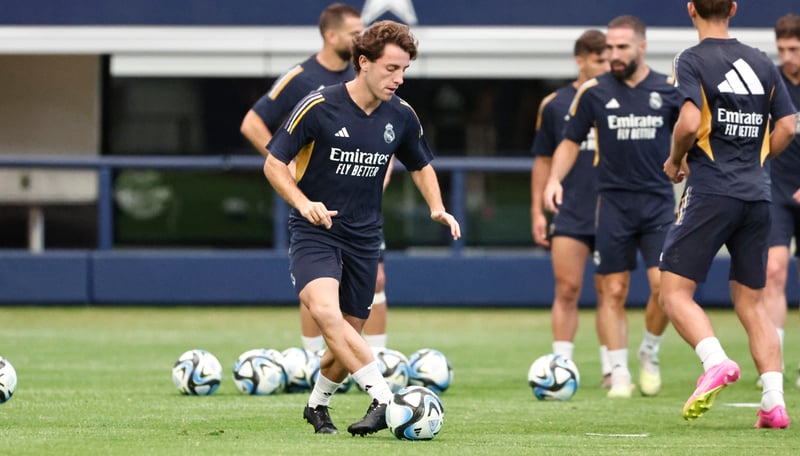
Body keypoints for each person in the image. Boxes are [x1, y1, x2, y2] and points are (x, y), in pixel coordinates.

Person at [263, 20, 461, 436]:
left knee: (346, 336)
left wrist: (437, 208)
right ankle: (386, 399)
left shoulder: (401, 115)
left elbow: (421, 164)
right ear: (364, 62)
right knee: (325, 312)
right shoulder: (318, 105)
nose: (399, 78)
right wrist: (303, 203)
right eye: (391, 68)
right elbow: (274, 163)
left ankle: (317, 406)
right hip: (316, 231)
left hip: (365, 238)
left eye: (404, 69)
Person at [659, 0, 796, 428]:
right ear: (734, 8)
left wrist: (675, 160)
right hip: (758, 195)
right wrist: (757, 161)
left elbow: (688, 123)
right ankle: (774, 403)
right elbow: (788, 125)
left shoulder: (691, 59)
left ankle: (715, 360)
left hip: (711, 191)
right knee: (752, 303)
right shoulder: (762, 61)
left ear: (691, 9)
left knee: (673, 293)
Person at [543, 15, 681, 399]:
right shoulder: (594, 92)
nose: (614, 55)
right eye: (610, 48)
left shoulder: (669, 89)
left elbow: (688, 133)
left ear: (642, 47)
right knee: (613, 290)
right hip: (613, 205)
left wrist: (683, 159)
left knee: (665, 289)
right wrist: (554, 180)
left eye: (622, 47)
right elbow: (569, 142)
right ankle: (619, 373)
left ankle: (649, 351)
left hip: (657, 203)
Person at [240, 3, 390, 353]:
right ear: (331, 36)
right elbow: (252, 123)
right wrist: (287, 163)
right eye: (355, 33)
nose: (361, 39)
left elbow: (387, 129)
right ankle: (310, 359)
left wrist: (380, 172)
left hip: (361, 202)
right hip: (317, 197)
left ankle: (379, 358)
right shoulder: (301, 78)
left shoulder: (365, 75)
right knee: (319, 283)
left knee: (376, 278)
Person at [530, 29, 614, 387]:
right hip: (571, 210)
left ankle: (613, 368)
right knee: (567, 289)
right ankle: (560, 368)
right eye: (599, 60)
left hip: (612, 210)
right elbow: (543, 161)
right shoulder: (555, 104)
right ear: (581, 60)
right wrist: (537, 211)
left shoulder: (622, 98)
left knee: (610, 292)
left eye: (610, 59)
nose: (607, 66)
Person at [763, 13, 800, 389]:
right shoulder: (770, 82)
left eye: (795, 49)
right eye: (782, 49)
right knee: (773, 271)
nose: (787, 57)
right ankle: (773, 362)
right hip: (775, 190)